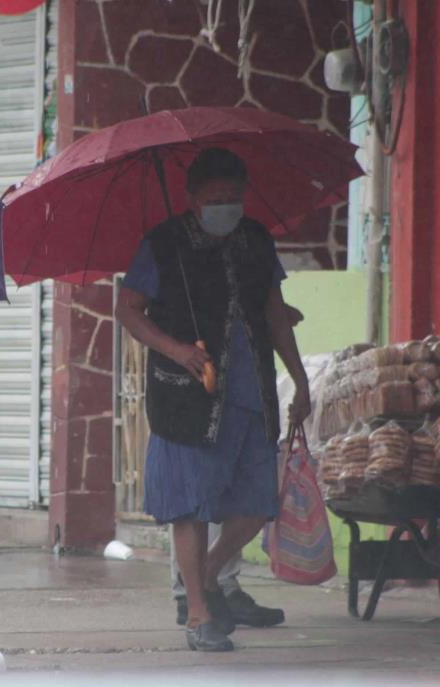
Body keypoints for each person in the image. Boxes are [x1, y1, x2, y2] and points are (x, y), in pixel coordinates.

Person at [115, 148, 310, 652]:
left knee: (255, 505)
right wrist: (176, 349)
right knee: (192, 507)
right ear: (193, 198)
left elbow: (273, 313)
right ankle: (199, 613)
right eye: (215, 199)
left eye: (233, 198)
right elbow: (130, 311)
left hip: (251, 393)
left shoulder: (256, 241)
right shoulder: (163, 245)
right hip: (188, 398)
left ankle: (201, 574)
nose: (226, 206)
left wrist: (300, 379)